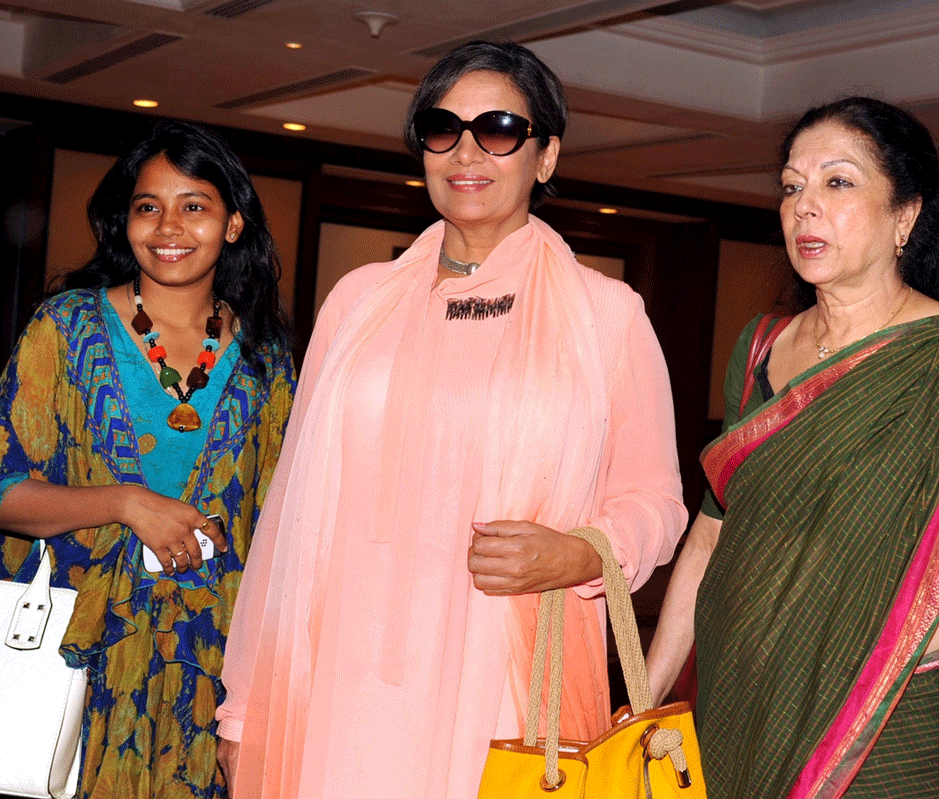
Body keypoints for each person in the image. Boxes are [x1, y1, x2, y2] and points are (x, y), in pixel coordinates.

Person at [215, 40, 687, 799]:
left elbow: (658, 502)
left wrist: (579, 554)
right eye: (443, 128)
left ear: (547, 155)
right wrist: (246, 711)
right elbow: (289, 518)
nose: (467, 150)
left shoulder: (607, 317)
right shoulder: (358, 301)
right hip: (342, 679)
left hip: (500, 677)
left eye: (499, 128)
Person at [646, 96, 939, 798]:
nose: (804, 206)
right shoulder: (759, 350)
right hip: (737, 716)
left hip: (885, 734)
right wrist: (644, 698)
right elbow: (709, 545)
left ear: (906, 215)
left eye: (838, 182)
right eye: (791, 186)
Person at [0, 120, 296, 799]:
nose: (168, 225)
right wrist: (124, 502)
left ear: (233, 224)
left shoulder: (265, 359)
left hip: (212, 668)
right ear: (124, 221)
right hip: (76, 652)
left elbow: (288, 522)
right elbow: (5, 487)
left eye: (194, 205)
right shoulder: (66, 329)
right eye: (147, 206)